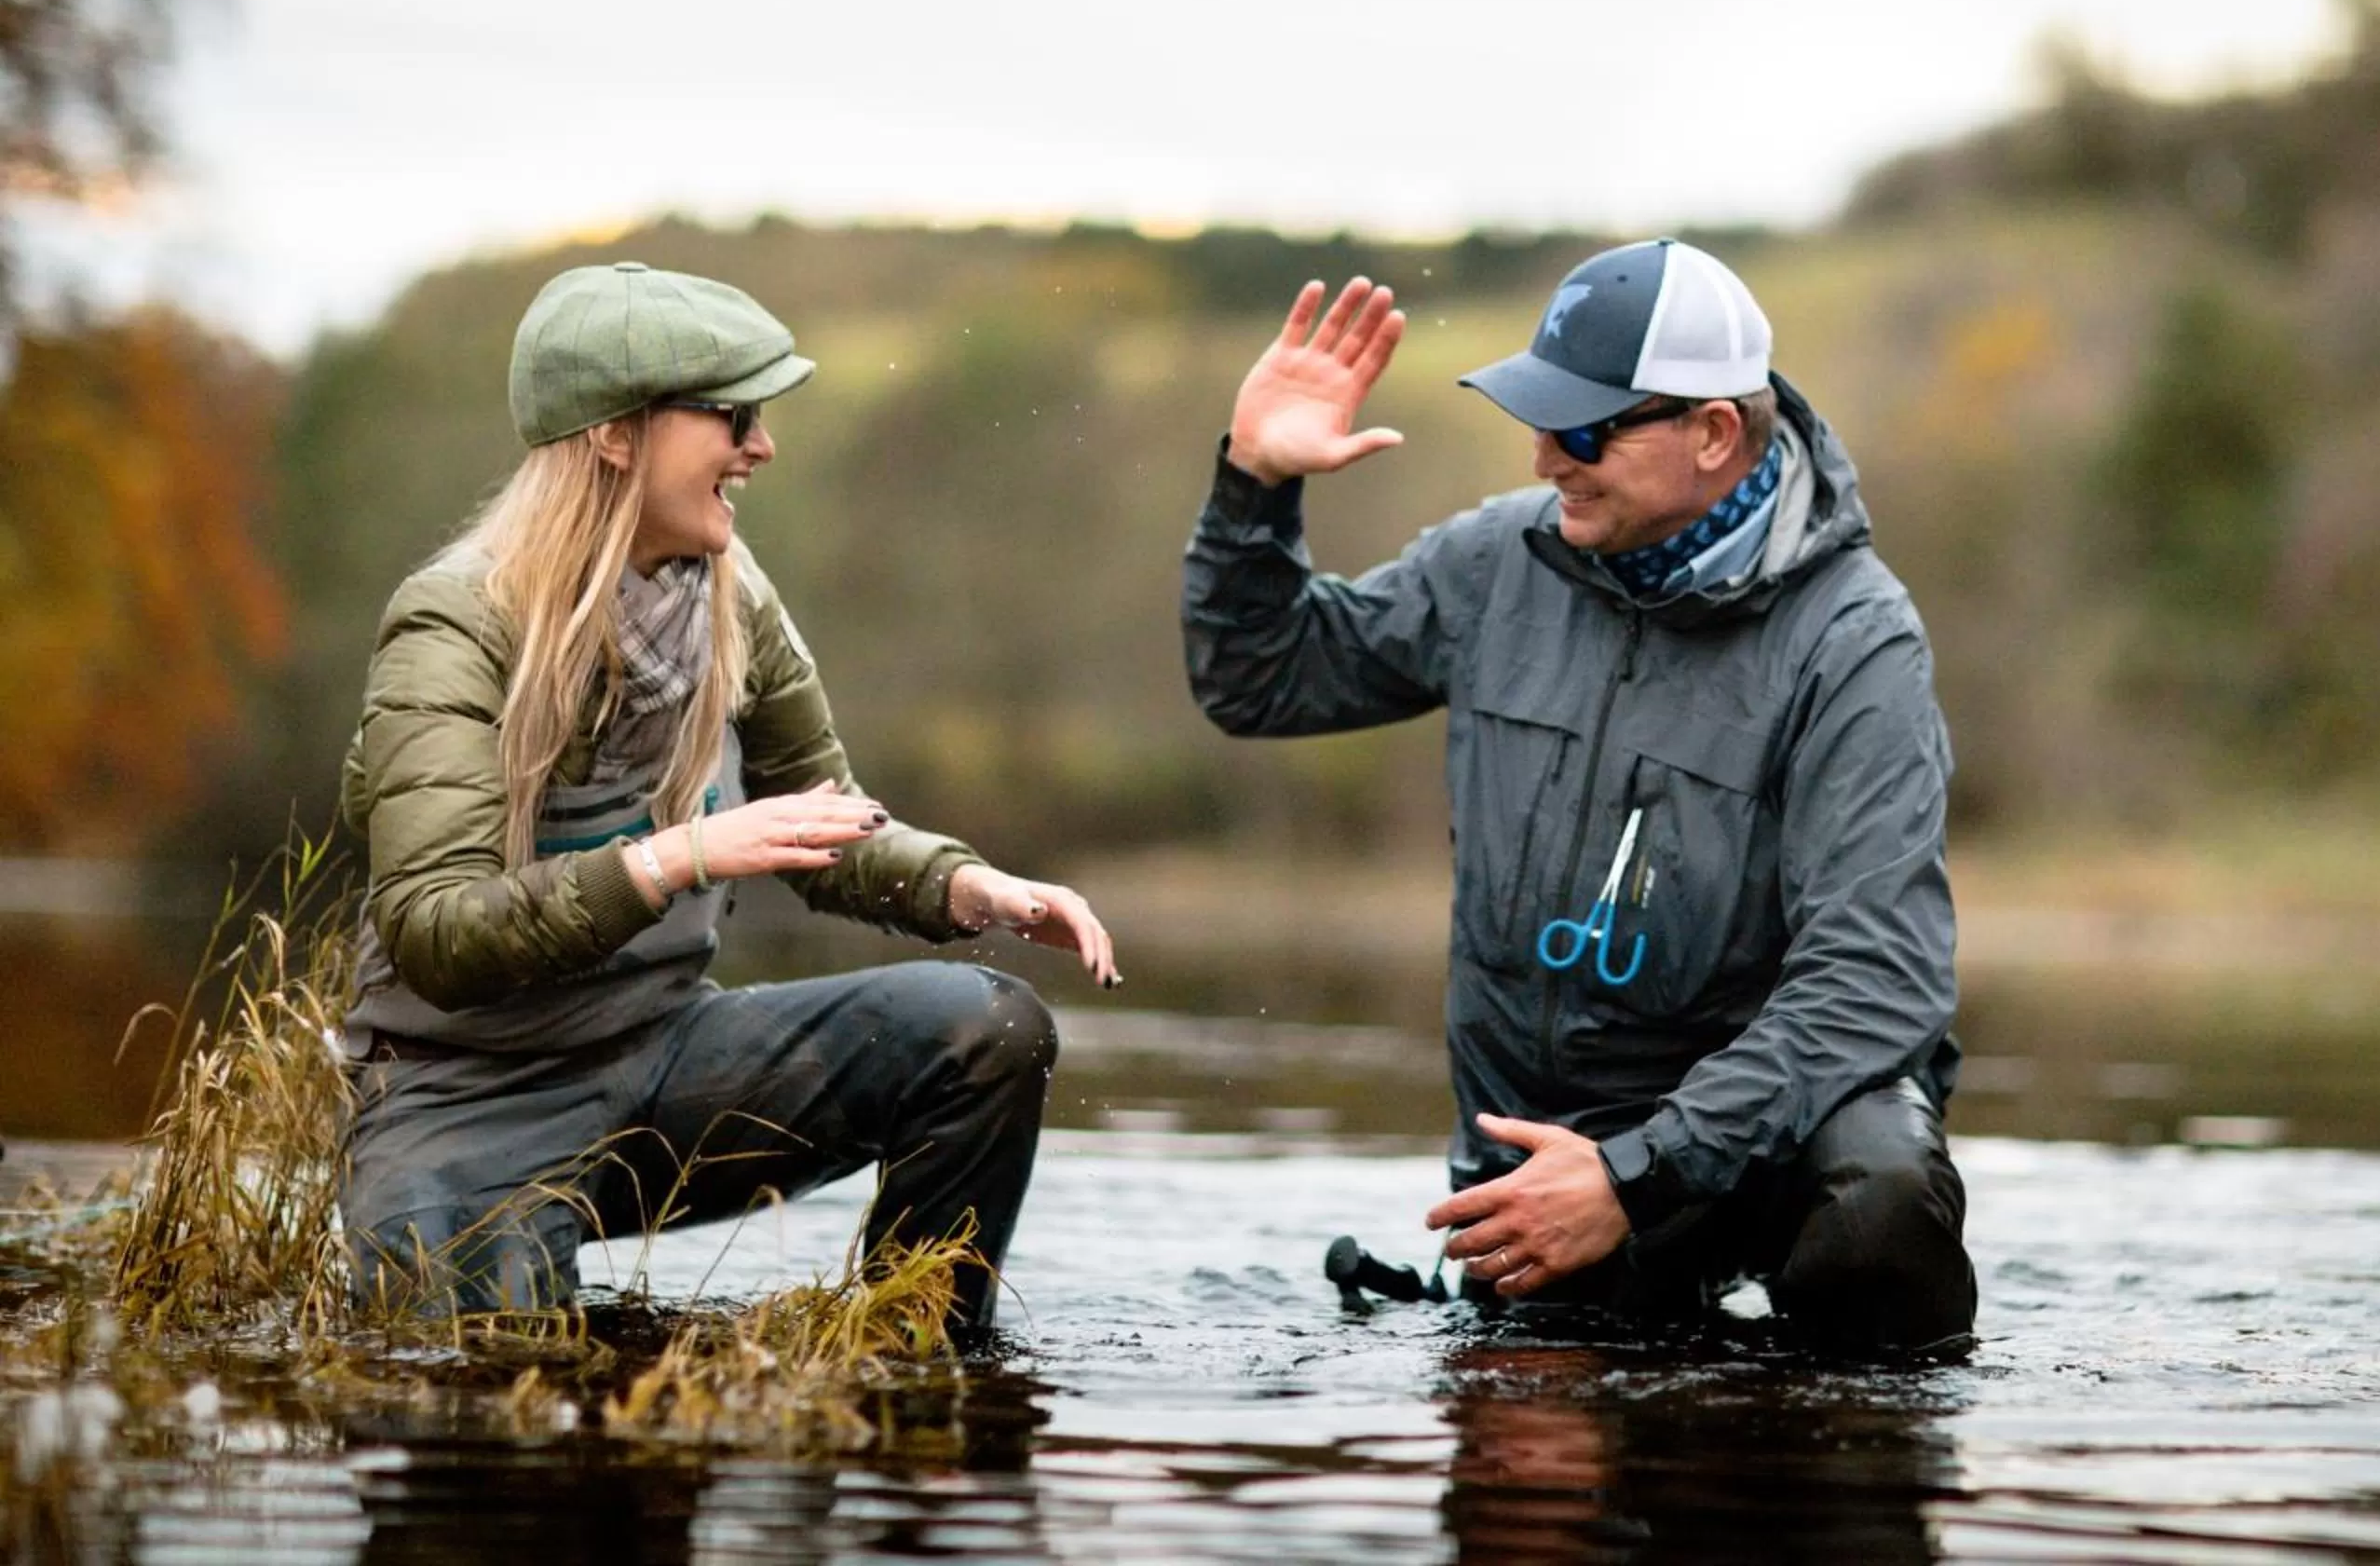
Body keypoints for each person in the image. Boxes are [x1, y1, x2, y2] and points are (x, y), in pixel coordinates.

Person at [1182, 239, 1976, 1353]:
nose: (1550, 454)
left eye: (1590, 426)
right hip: (1540, 1163)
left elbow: (1876, 982)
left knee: (1881, 1195)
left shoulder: (1854, 640)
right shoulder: (1496, 562)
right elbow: (1259, 680)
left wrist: (1640, 1171)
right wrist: (1258, 487)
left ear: (1714, 432)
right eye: (1540, 415)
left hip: (1754, 1151)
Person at [337, 260, 1117, 1331]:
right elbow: (437, 934)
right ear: (617, 433)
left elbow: (817, 816)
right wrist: (681, 854)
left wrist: (968, 885)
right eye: (733, 413)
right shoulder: (451, 624)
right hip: (463, 1099)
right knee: (485, 1395)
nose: (762, 446)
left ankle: (913, 1362)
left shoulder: (734, 594)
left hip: (663, 1061)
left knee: (988, 1028)